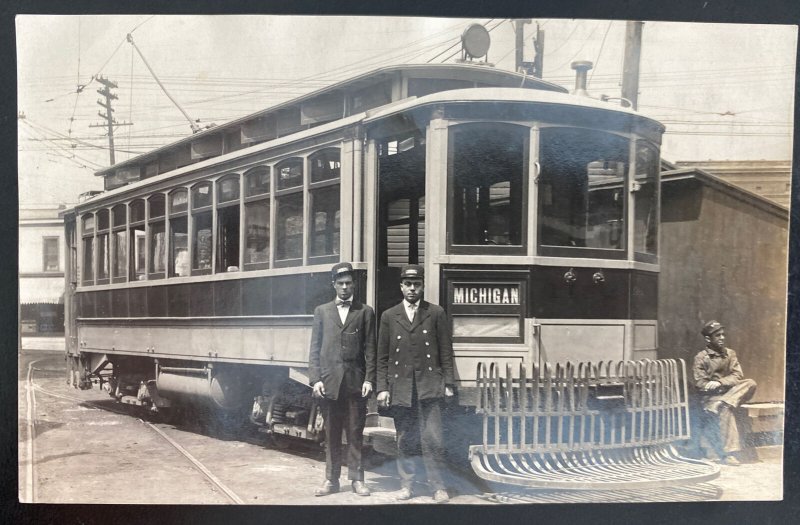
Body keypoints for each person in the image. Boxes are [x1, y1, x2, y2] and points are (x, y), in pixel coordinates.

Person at [376, 265, 455, 503]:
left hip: (429, 386)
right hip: (402, 388)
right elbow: (382, 356)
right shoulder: (389, 316)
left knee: (433, 439)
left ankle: (438, 487)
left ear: (422, 286)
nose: (412, 289)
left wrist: (448, 383)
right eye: (408, 284)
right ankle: (406, 486)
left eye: (416, 284)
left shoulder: (436, 313)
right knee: (405, 439)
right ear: (401, 287)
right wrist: (382, 388)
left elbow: (445, 351)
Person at [308, 262, 376, 496]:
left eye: (348, 283)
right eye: (340, 283)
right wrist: (316, 379)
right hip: (329, 384)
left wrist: (369, 379)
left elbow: (371, 349)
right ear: (334, 285)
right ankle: (331, 480)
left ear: (354, 285)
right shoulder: (322, 311)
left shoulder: (365, 311)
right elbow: (315, 349)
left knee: (355, 433)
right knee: (332, 434)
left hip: (356, 384)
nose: (345, 287)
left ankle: (357, 479)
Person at [692, 320, 757, 465]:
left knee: (750, 382)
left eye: (723, 334)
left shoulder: (730, 354)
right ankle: (728, 454)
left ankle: (723, 402)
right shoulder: (701, 358)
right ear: (708, 339)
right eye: (717, 335)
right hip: (711, 398)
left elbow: (738, 375)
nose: (722, 338)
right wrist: (715, 387)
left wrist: (720, 382)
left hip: (729, 394)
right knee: (725, 409)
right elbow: (700, 383)